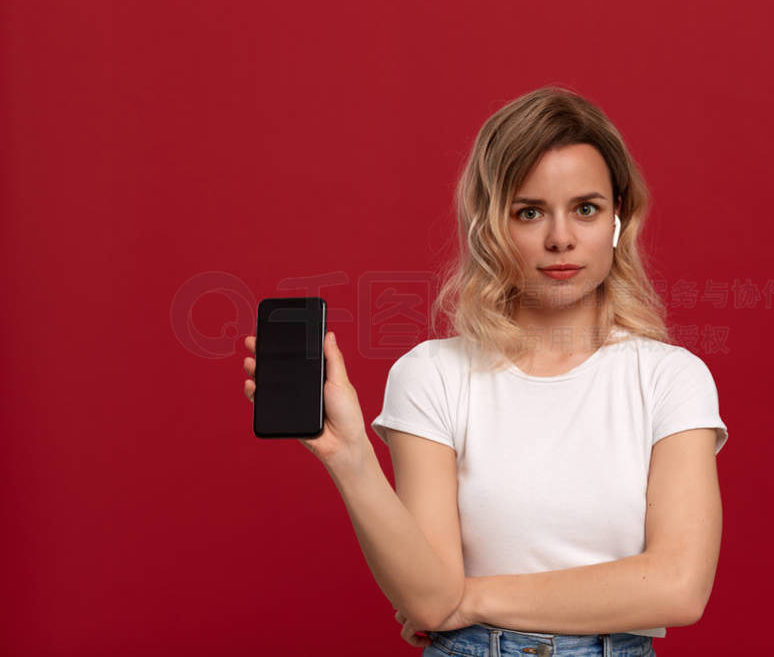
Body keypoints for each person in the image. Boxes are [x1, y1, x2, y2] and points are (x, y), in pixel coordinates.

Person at [241, 85, 728, 657]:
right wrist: (349, 458)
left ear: (619, 219)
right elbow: (426, 602)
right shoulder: (432, 375)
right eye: (529, 212)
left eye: (586, 208)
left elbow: (678, 588)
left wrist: (466, 599)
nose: (561, 238)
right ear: (489, 224)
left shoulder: (670, 378)